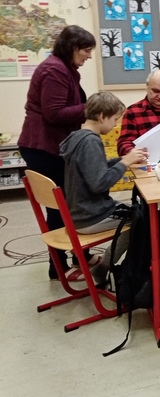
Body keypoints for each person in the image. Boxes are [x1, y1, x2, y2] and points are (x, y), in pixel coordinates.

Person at [18, 25, 97, 280]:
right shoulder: (54, 70)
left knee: (68, 203)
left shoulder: (64, 68)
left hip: (49, 145)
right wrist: (90, 108)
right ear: (72, 47)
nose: (89, 56)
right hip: (44, 147)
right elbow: (53, 113)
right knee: (58, 207)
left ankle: (79, 256)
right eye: (86, 50)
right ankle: (59, 266)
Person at [59, 92, 148, 285]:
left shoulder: (77, 137)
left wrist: (123, 159)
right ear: (102, 116)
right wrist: (124, 163)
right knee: (144, 219)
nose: (115, 125)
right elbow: (99, 183)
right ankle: (105, 267)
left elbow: (94, 169)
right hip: (89, 216)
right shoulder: (91, 141)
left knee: (140, 214)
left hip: (78, 212)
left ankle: (110, 265)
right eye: (115, 119)